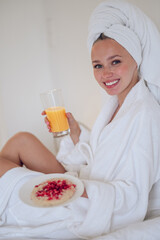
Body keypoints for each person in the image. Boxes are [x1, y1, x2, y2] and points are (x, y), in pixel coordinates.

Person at [1, 0, 160, 239]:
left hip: (95, 204)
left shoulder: (144, 113)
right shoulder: (116, 104)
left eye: (115, 62)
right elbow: (103, 157)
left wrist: (79, 190)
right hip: (88, 183)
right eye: (98, 65)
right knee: (21, 140)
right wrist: (75, 134)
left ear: (135, 59)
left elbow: (132, 195)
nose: (106, 74)